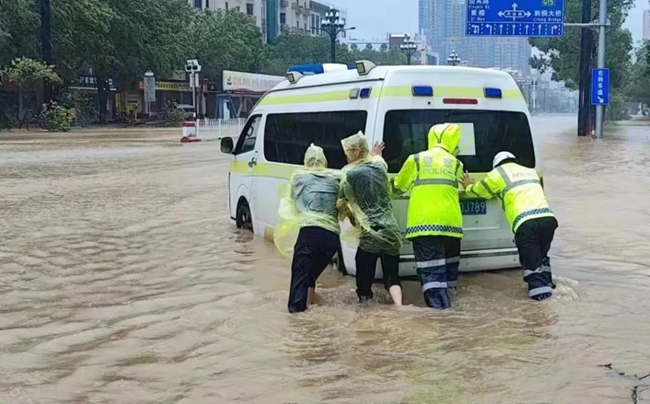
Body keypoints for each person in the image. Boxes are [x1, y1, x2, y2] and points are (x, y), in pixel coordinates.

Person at [460, 151, 558, 301]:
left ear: (496, 165)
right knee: (541, 256)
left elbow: (481, 191)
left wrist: (468, 186)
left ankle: (540, 305)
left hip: (526, 222)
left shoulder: (497, 174)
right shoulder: (530, 171)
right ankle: (549, 288)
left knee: (531, 264)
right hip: (548, 219)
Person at [391, 123, 464, 309]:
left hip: (424, 225)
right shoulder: (456, 163)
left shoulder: (416, 159)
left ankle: (441, 319)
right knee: (449, 274)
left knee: (432, 273)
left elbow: (398, 187)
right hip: (452, 226)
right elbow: (461, 189)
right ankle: (455, 316)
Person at [337, 132, 403, 306]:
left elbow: (341, 203)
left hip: (371, 231)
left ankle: (366, 309)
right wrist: (375, 153)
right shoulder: (380, 167)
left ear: (354, 151)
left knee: (364, 276)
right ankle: (399, 306)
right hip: (391, 230)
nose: (346, 156)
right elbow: (378, 160)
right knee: (392, 275)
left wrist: (352, 218)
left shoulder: (350, 175)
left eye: (347, 152)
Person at [274, 144, 341, 313]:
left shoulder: (299, 177)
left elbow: (291, 203)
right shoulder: (336, 178)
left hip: (310, 234)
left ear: (306, 160)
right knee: (310, 274)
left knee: (299, 278)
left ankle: (299, 328)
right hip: (332, 239)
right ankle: (311, 307)